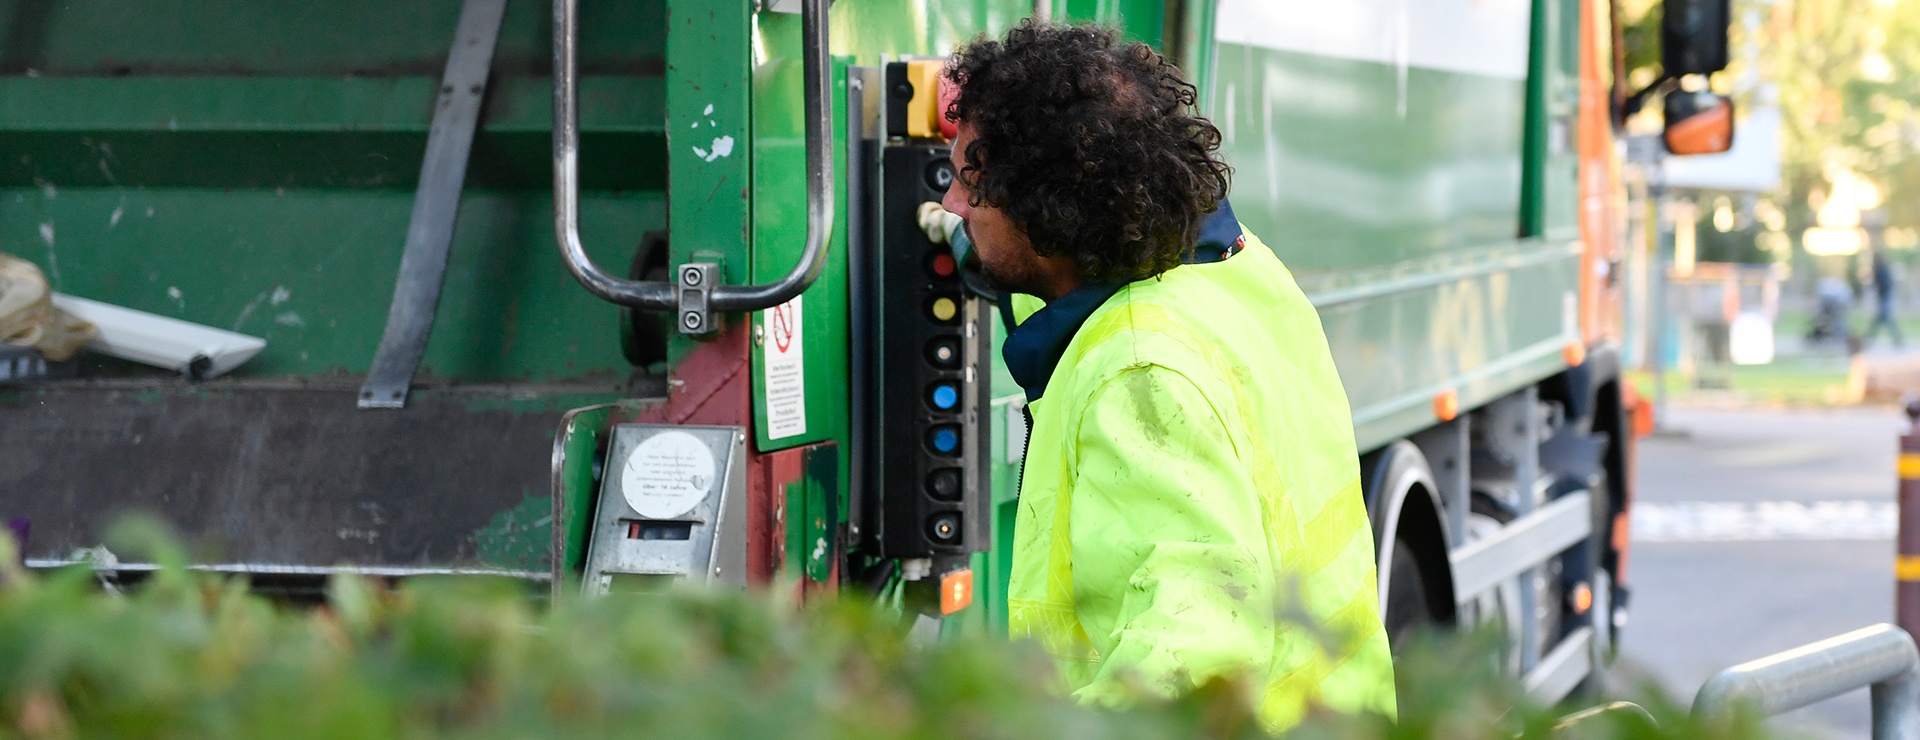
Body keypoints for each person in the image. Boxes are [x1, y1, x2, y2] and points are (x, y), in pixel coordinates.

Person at [931, 21, 1396, 731]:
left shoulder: (1140, 371)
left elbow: (1189, 664)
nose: (956, 207)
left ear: (1047, 211)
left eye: (970, 183)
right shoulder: (1237, 272)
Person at [1864, 246, 1904, 349]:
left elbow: (1881, 284)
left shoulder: (1881, 270)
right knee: (1883, 319)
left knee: (1884, 318)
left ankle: (1869, 338)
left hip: (1885, 296)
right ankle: (1870, 338)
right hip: (1884, 296)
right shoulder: (1882, 270)